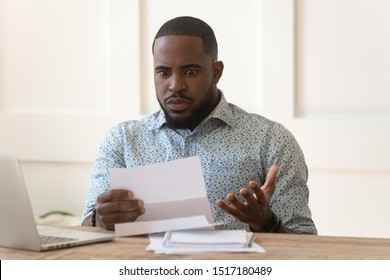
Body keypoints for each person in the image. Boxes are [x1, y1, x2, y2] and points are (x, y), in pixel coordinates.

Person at [82, 16, 317, 234]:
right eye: (163, 72)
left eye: (190, 71)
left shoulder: (271, 140)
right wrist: (101, 220)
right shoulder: (122, 141)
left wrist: (266, 223)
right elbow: (85, 229)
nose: (175, 85)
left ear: (216, 72)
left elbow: (305, 245)